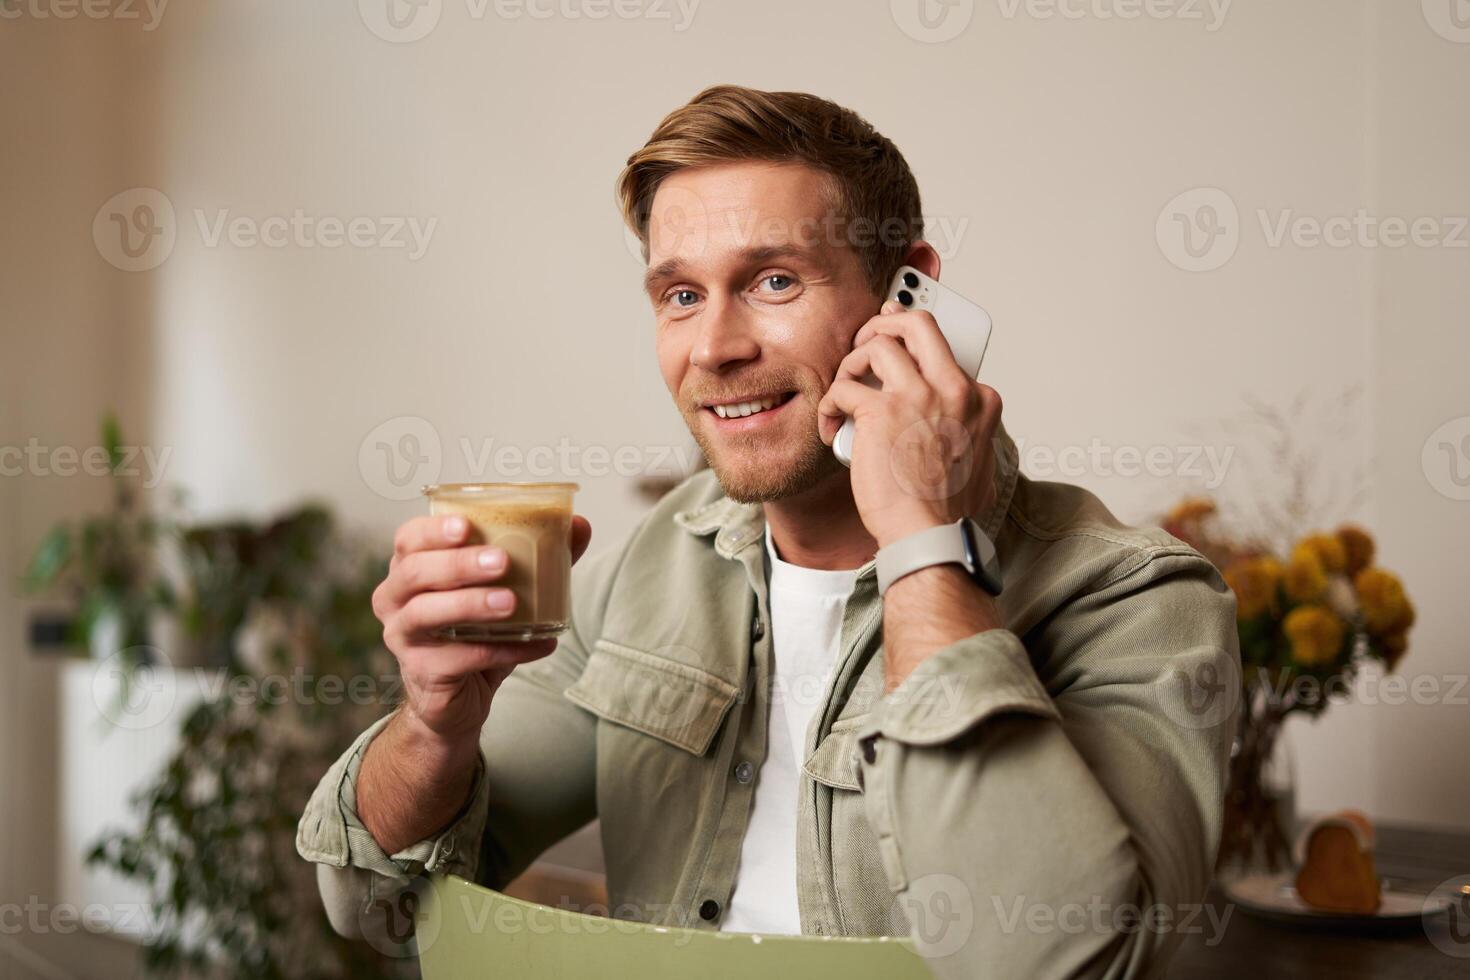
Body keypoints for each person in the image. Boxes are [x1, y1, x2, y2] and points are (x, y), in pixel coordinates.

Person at [298, 84, 1239, 978]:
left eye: (775, 280)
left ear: (908, 292)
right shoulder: (659, 563)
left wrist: (919, 537)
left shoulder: (1137, 599)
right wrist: (432, 723)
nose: (714, 347)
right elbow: (374, 905)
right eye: (679, 296)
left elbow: (1062, 964)